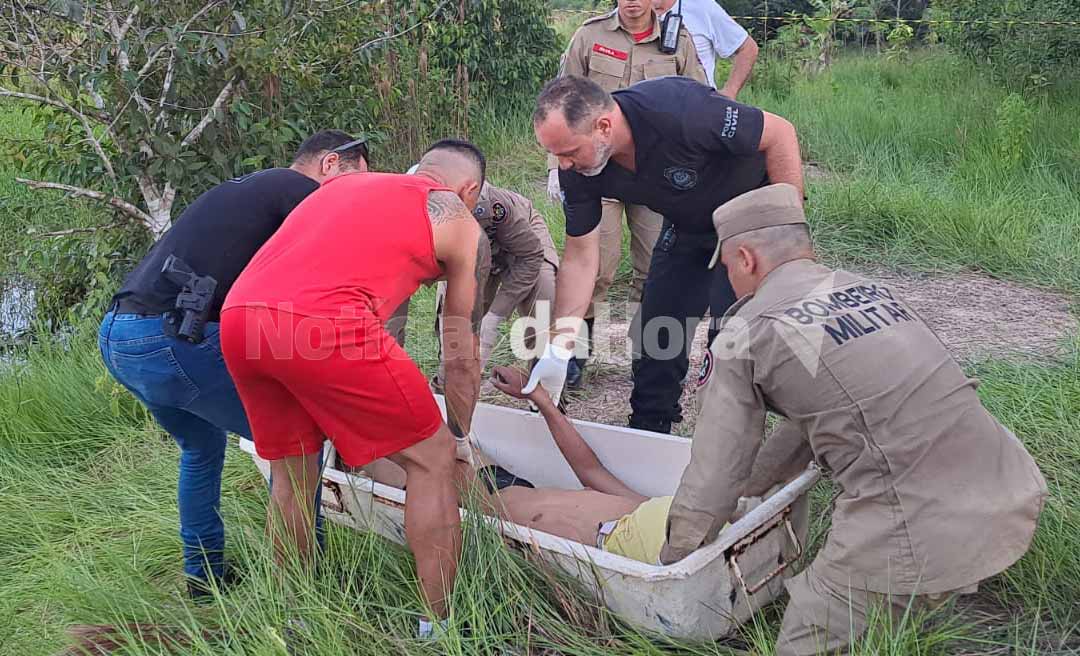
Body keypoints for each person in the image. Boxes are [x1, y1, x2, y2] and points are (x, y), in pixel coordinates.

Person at [658, 184, 1049, 654]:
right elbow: (828, 415)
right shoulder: (868, 289)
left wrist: (672, 564)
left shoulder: (748, 329)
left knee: (803, 638)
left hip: (916, 518)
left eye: (726, 270)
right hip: (1009, 484)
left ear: (745, 259)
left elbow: (715, 471)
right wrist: (753, 492)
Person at [220, 139, 488, 636]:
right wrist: (461, 436)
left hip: (241, 320)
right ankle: (442, 627)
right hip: (323, 323)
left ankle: (289, 617)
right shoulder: (459, 218)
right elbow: (458, 352)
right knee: (433, 459)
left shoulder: (342, 184)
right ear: (469, 189)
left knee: (292, 475)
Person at [97, 130, 369, 598]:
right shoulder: (300, 193)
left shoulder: (247, 190)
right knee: (298, 447)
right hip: (173, 340)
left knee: (201, 450)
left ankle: (204, 580)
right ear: (330, 165)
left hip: (119, 336)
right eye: (356, 181)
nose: (354, 198)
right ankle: (306, 589)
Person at [529, 74, 803, 433]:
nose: (563, 165)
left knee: (731, 340)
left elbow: (779, 132)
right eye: (555, 155)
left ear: (604, 126)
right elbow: (581, 259)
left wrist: (786, 226)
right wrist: (558, 347)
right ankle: (649, 430)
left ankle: (731, 442)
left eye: (568, 152)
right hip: (688, 226)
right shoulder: (578, 171)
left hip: (749, 223)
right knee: (656, 334)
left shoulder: (680, 110)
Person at [546, 0, 708, 387]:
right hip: (595, 170)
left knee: (656, 267)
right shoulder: (590, 36)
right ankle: (573, 358)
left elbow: (700, 102)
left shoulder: (678, 41)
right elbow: (558, 102)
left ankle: (645, 357)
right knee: (597, 267)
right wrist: (556, 167)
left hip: (656, 173)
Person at [390, 182, 559, 384]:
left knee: (543, 304)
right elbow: (392, 308)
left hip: (519, 243)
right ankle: (447, 391)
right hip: (468, 257)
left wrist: (495, 316)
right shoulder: (403, 228)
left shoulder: (491, 205)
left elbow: (530, 255)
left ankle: (545, 392)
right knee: (457, 333)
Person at [652, 0, 759, 97]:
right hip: (645, 110)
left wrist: (730, 92)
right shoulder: (637, 12)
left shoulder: (702, 6)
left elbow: (748, 48)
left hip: (697, 110)